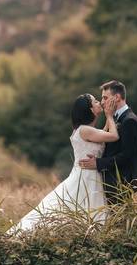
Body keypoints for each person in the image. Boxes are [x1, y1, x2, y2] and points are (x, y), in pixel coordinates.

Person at [8, 93, 118, 234]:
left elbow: (102, 134)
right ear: (90, 109)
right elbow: (113, 136)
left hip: (87, 174)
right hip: (86, 177)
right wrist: (109, 116)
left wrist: (110, 116)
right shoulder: (85, 130)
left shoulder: (85, 130)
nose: (99, 103)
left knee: (81, 211)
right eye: (96, 101)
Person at [77, 80, 137, 204]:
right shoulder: (114, 118)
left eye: (105, 98)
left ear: (117, 97)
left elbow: (127, 156)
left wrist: (98, 163)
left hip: (122, 185)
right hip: (112, 184)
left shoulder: (129, 121)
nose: (102, 102)